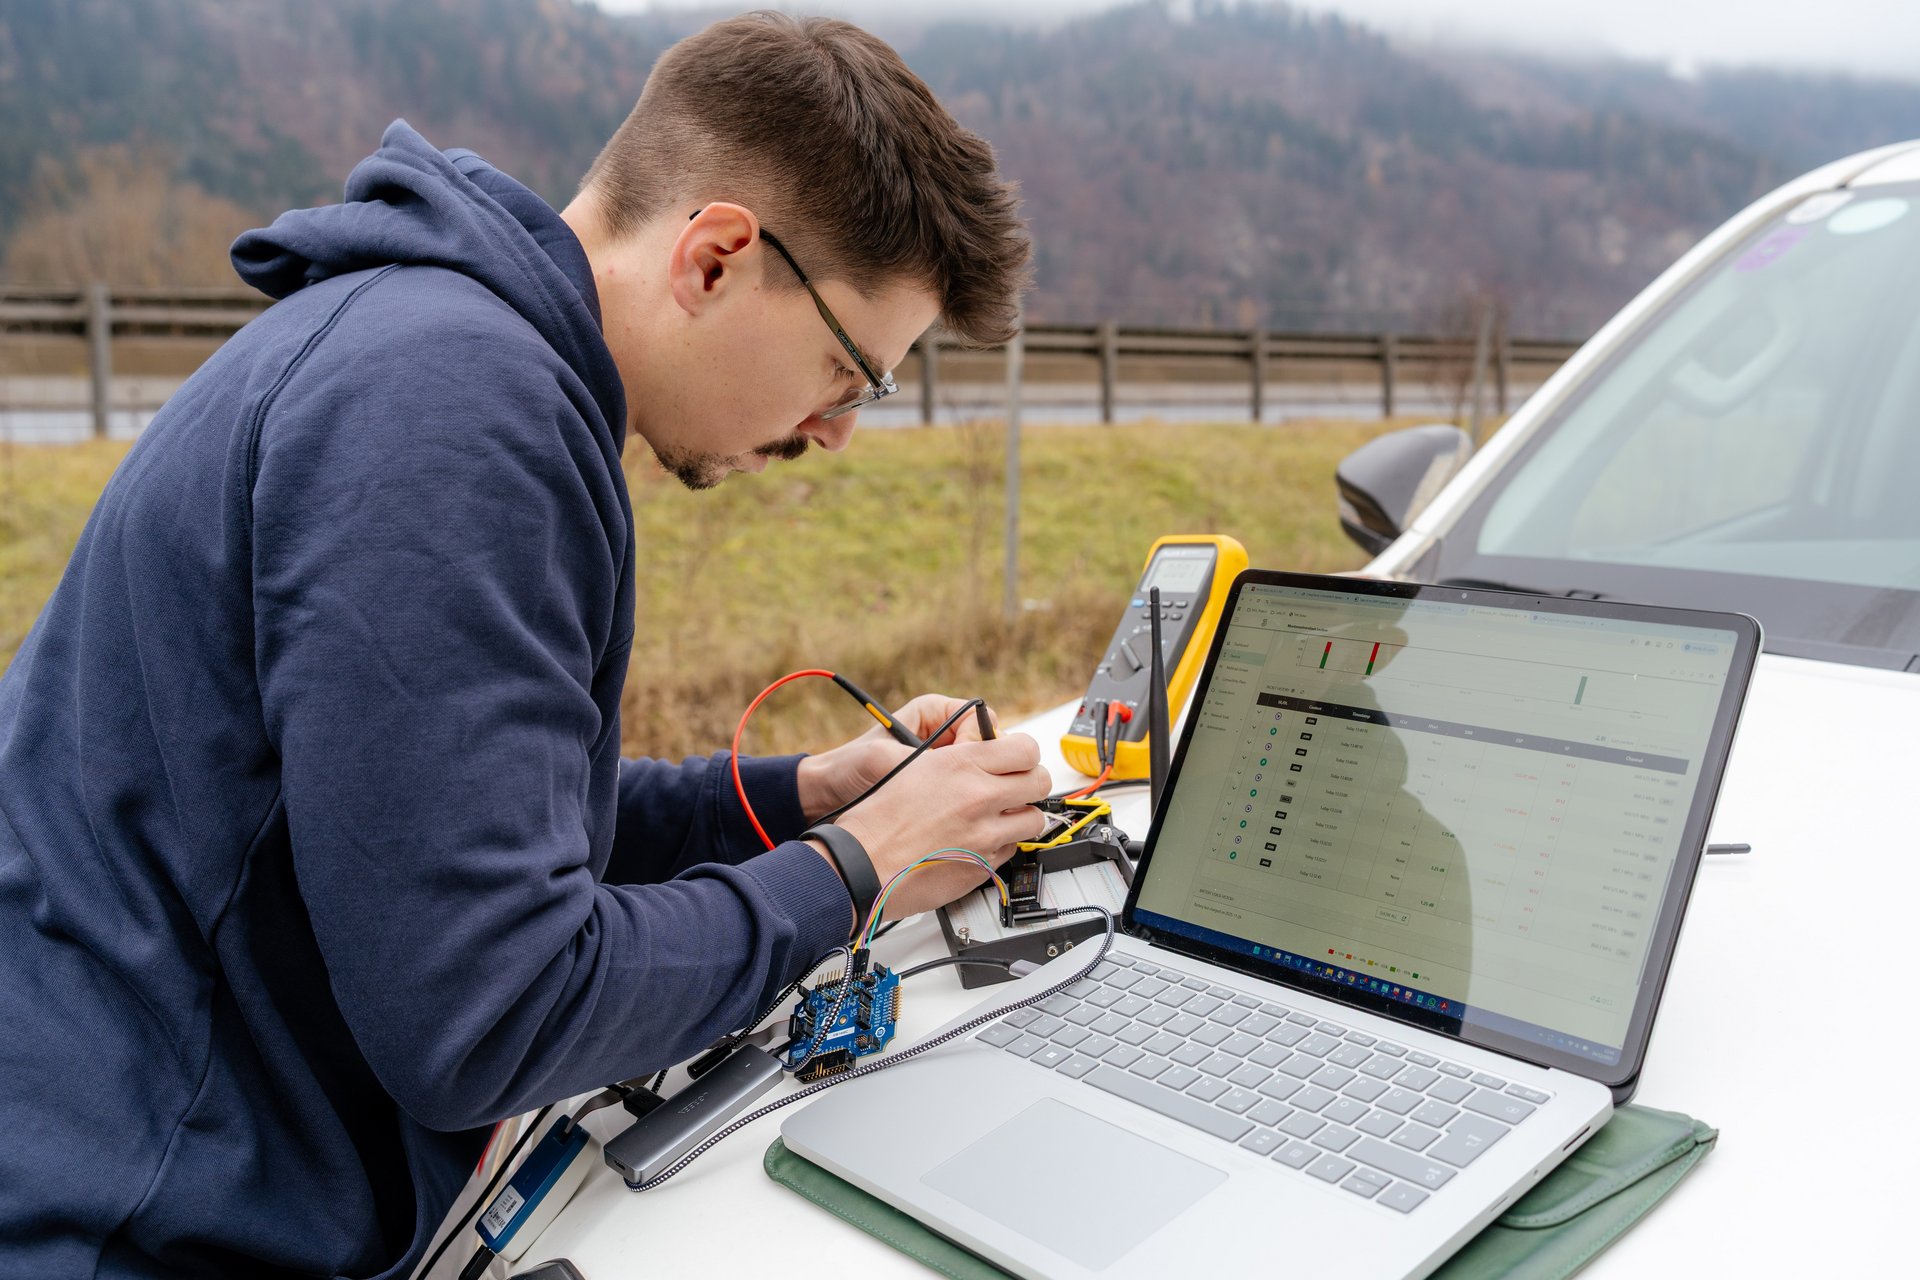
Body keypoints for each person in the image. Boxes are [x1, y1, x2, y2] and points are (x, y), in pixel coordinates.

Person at [0, 13, 1047, 1278]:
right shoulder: (451, 419)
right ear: (716, 257)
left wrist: (790, 799)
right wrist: (859, 865)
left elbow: (445, 827)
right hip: (135, 1224)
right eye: (847, 370)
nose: (835, 430)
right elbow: (491, 1010)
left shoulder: (431, 349)